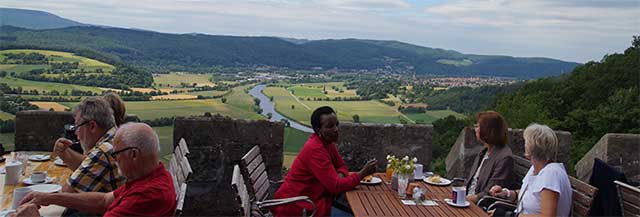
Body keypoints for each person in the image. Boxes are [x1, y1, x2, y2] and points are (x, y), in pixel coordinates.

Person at [15, 123, 177, 217]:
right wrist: (49, 198)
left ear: (133, 154)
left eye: (116, 154)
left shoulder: (146, 196)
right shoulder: (153, 176)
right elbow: (104, 200)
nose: (114, 159)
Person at [272, 106, 377, 217]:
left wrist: (339, 176)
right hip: (298, 206)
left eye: (337, 124)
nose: (336, 129)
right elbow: (336, 187)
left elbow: (341, 166)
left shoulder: (327, 143)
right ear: (319, 130)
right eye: (330, 126)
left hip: (311, 200)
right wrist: (362, 174)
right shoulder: (315, 149)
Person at [488, 124, 572, 217]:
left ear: (532, 147)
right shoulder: (536, 169)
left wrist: (509, 215)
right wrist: (506, 193)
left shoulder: (551, 174)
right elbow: (531, 195)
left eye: (526, 142)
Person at [52, 97, 125, 193]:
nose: (76, 133)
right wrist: (64, 153)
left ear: (92, 126)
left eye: (77, 126)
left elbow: (69, 192)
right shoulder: (115, 136)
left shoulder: (104, 151)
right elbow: (90, 172)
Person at [465, 111, 516, 204]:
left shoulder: (504, 158)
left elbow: (491, 193)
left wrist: (462, 199)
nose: (475, 129)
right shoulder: (485, 151)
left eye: (478, 126)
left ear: (487, 130)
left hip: (478, 205)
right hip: (469, 199)